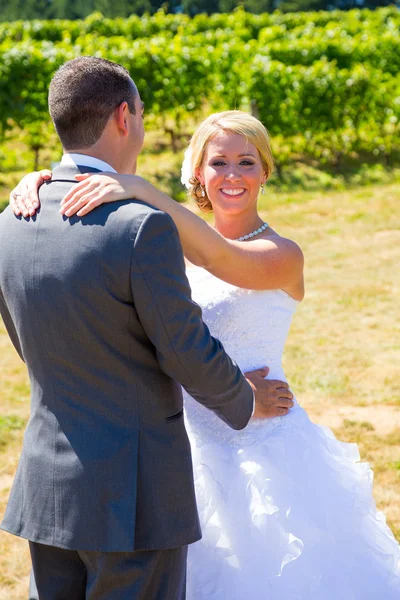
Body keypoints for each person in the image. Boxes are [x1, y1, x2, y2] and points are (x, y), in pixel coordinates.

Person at [11, 110, 400, 598]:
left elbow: (220, 257)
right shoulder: (163, 237)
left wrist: (138, 188)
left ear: (265, 172)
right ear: (197, 171)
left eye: (247, 162)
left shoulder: (283, 254)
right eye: (218, 162)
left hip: (258, 439)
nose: (232, 175)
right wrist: (41, 181)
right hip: (176, 445)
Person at [0, 59, 295, 600]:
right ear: (123, 117)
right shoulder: (142, 227)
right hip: (135, 493)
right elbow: (183, 346)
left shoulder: (13, 217)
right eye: (140, 111)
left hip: (50, 491)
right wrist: (245, 400)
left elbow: (32, 338)